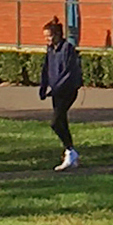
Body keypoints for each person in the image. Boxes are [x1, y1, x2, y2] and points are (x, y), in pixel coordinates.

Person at [39, 16, 85, 171]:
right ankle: (70, 153)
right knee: (62, 122)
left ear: (58, 35)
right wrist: (43, 87)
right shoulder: (50, 49)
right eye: (45, 37)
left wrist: (57, 87)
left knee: (55, 122)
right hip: (56, 92)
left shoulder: (68, 49)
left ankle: (70, 151)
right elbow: (46, 69)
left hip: (68, 91)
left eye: (49, 36)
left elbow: (69, 72)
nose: (47, 39)